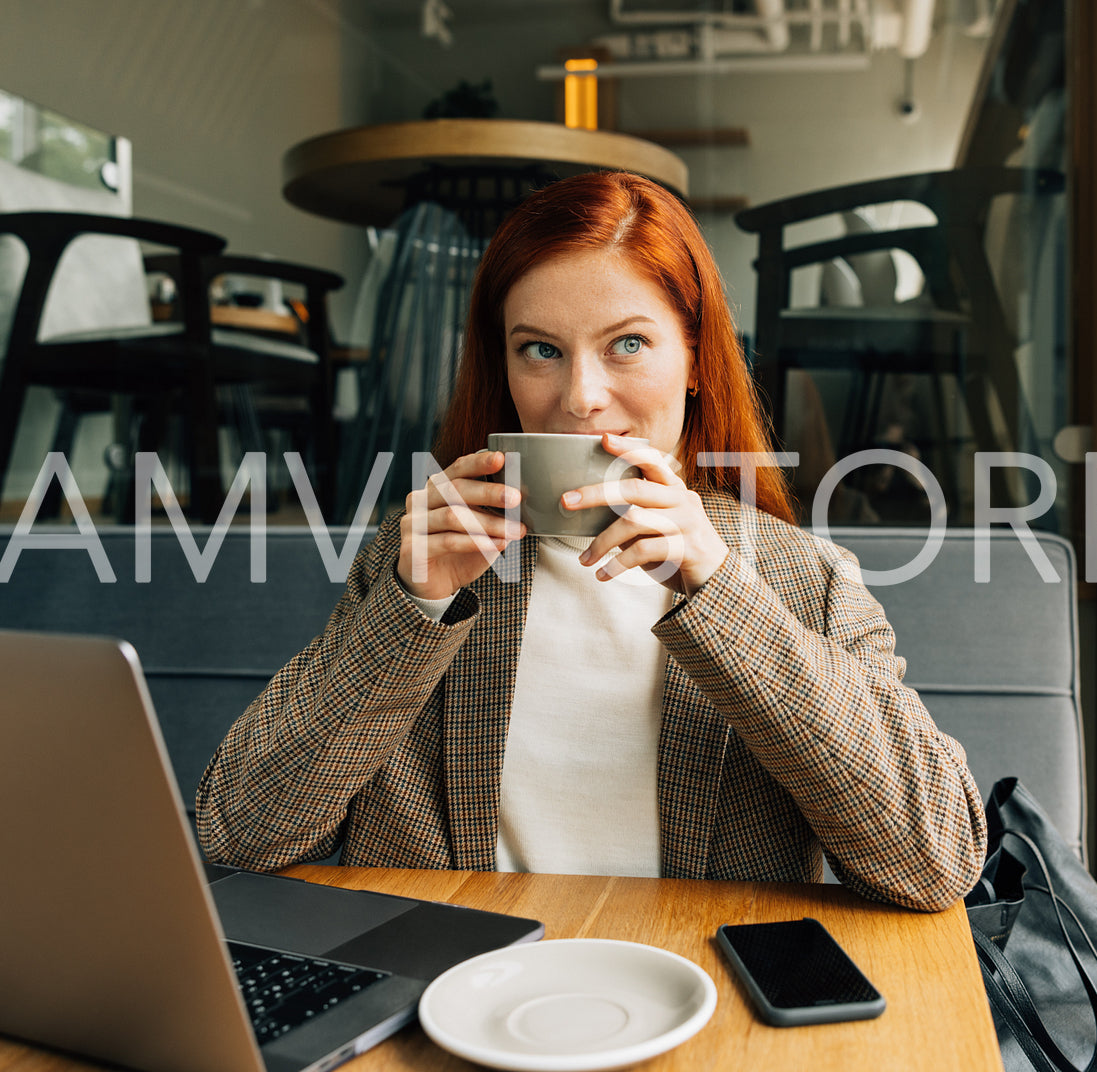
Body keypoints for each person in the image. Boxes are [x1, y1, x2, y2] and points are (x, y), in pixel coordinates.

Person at [196, 171, 985, 912]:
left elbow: (934, 862)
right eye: (540, 349)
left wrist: (720, 590)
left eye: (627, 344)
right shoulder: (418, 559)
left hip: (694, 991)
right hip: (462, 993)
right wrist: (410, 610)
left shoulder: (797, 576)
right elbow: (238, 835)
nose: (580, 398)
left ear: (695, 361)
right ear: (501, 367)